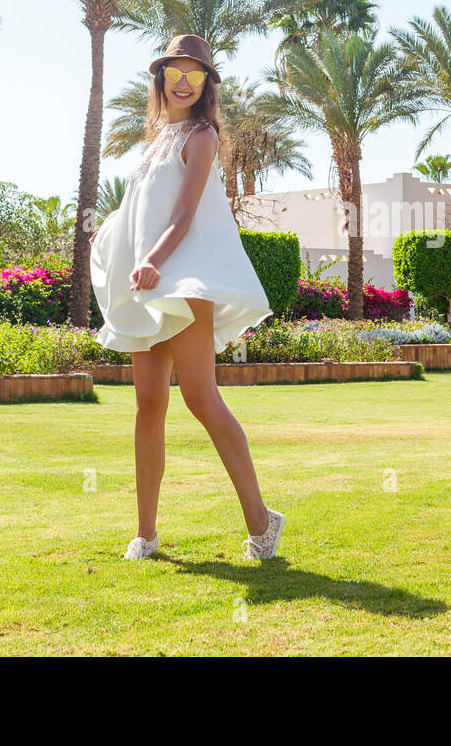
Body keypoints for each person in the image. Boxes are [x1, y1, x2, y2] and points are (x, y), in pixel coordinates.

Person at [89, 33, 283, 562]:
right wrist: (111, 237)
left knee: (200, 398)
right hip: (147, 284)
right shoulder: (152, 145)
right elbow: (137, 214)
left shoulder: (201, 138)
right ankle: (146, 536)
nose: (182, 81)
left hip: (184, 282)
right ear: (161, 79)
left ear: (205, 85)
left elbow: (184, 215)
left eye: (194, 74)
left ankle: (262, 524)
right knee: (148, 404)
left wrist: (153, 259)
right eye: (175, 71)